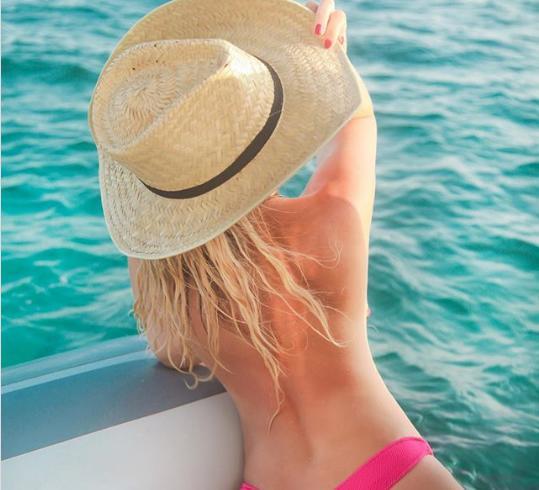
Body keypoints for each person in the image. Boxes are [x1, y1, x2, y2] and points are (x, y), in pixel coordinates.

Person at [88, 0, 462, 488]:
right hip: (389, 468)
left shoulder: (180, 301)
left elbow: (169, 349)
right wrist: (325, 48)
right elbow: (359, 118)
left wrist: (152, 219)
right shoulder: (331, 221)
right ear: (259, 132)